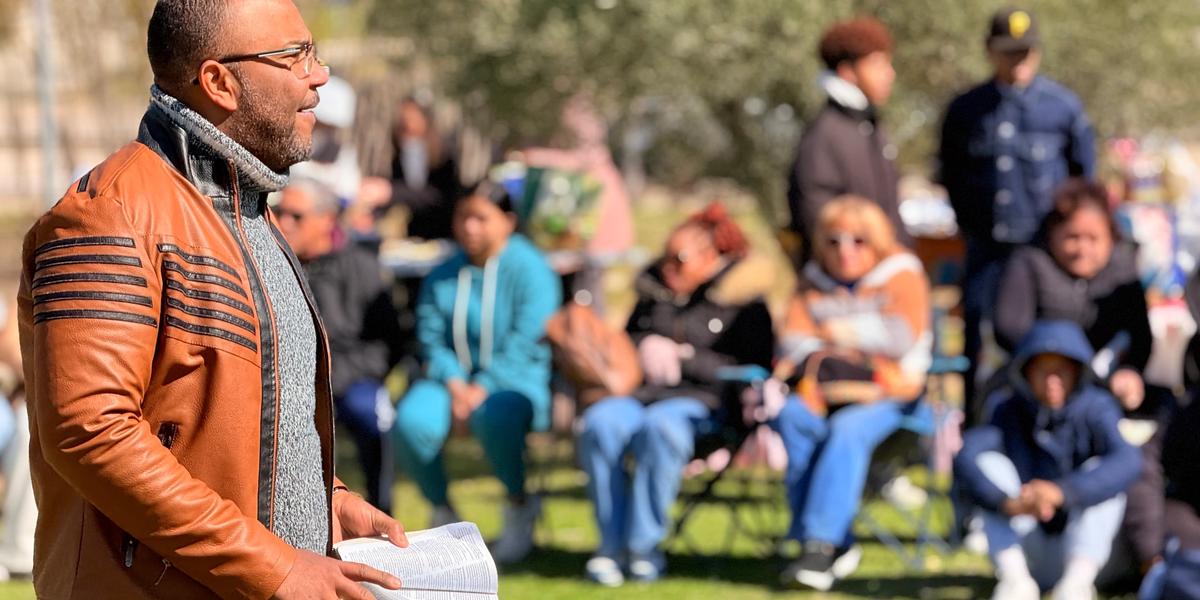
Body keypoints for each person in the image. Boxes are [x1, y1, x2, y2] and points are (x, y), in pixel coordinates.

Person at [16, 1, 408, 598]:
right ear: (219, 82)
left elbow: (233, 421)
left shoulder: (246, 208)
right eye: (295, 55)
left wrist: (324, 501)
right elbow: (91, 434)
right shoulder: (105, 216)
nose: (319, 74)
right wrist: (274, 567)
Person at [576, 203, 774, 586]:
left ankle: (642, 546)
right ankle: (609, 546)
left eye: (679, 259)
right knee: (600, 423)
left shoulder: (743, 302)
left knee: (661, 428)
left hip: (706, 404)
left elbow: (754, 367)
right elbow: (628, 342)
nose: (668, 267)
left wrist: (686, 359)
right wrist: (644, 344)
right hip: (642, 395)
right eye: (665, 257)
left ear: (710, 258)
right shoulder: (654, 294)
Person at [391, 180, 561, 564]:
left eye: (481, 218)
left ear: (508, 222)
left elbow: (527, 338)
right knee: (411, 421)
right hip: (450, 383)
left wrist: (482, 387)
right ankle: (443, 514)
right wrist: (455, 384)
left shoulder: (531, 269)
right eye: (463, 217)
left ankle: (519, 505)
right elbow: (431, 338)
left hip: (516, 383)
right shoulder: (444, 272)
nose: (470, 227)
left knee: (495, 417)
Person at [939, 7, 1096, 422]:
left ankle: (1059, 433)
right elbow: (950, 176)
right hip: (987, 254)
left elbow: (1083, 184)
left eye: (1026, 52)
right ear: (990, 52)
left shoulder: (1062, 109)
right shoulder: (966, 111)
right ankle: (979, 434)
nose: (1019, 61)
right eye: (1009, 52)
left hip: (1043, 257)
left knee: (1051, 346)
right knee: (981, 346)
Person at [772, 196, 932, 591]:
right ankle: (833, 541)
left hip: (895, 397)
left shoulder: (902, 274)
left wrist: (834, 334)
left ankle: (819, 547)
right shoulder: (812, 281)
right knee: (792, 416)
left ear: (876, 241)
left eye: (858, 240)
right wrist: (857, 339)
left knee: (847, 429)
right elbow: (791, 341)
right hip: (825, 394)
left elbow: (900, 337)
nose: (845, 251)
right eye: (834, 240)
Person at [954, 321, 1141, 600]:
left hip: (1090, 554)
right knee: (992, 465)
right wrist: (1005, 502)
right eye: (1043, 370)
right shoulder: (1008, 409)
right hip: (1031, 546)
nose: (1052, 381)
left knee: (1102, 473)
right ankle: (1015, 582)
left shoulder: (1096, 406)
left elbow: (1129, 460)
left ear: (1078, 371)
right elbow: (967, 455)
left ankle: (1076, 585)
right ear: (1025, 372)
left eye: (1061, 370)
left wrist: (1063, 492)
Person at [275, 178, 403, 515]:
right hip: (288, 383)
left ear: (326, 219)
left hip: (352, 379)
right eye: (279, 211)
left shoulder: (361, 266)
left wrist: (336, 376)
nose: (283, 222)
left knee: (372, 415)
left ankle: (380, 509)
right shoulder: (272, 263)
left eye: (296, 216)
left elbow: (387, 343)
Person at [993, 178, 1150, 411]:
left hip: (1105, 390)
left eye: (1093, 239)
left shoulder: (1124, 269)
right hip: (1038, 387)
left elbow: (1139, 336)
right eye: (1072, 237)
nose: (1082, 250)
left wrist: (1129, 372)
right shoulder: (1029, 262)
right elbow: (1009, 330)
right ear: (1053, 234)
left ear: (1111, 238)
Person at [785, 16, 908, 263]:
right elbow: (819, 218)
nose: (889, 74)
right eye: (878, 64)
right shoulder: (825, 135)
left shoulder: (870, 126)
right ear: (847, 72)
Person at [389, 97, 463, 241]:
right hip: (414, 233)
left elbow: (440, 195)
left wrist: (392, 192)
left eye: (410, 118)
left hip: (443, 231)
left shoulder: (443, 154)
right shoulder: (399, 153)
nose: (406, 124)